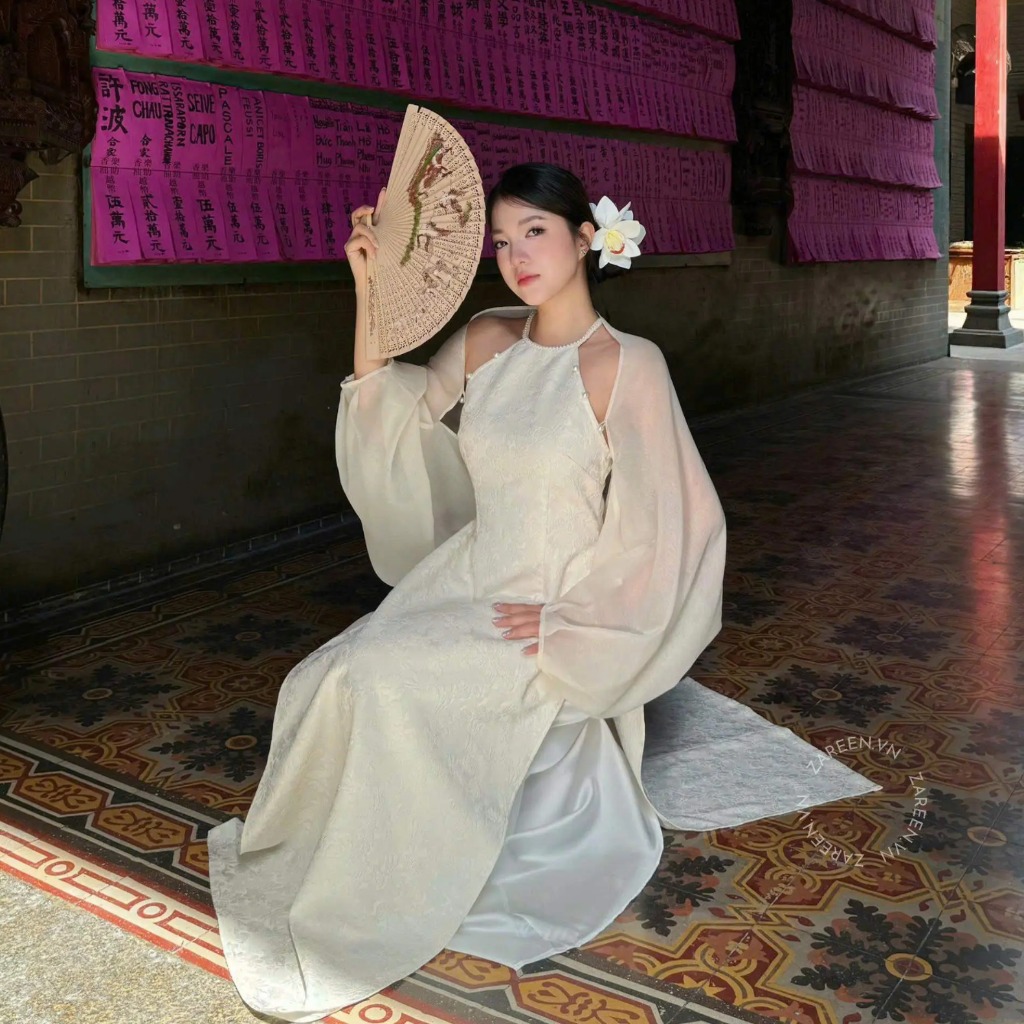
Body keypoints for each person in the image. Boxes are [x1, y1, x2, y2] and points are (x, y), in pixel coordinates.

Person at [206, 162, 787, 1022]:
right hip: (467, 575)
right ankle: (340, 859)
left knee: (385, 678)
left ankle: (395, 881)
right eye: (503, 241)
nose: (517, 257)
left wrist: (576, 620)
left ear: (586, 239)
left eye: (535, 233)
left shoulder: (628, 365)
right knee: (334, 673)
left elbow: (668, 523)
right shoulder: (487, 339)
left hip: (550, 599)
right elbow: (390, 410)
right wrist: (369, 286)